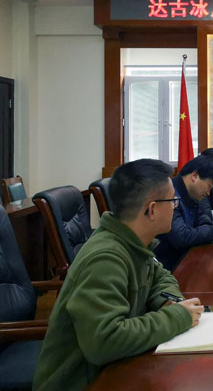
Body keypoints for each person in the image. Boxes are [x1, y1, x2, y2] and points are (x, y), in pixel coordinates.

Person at [33, 159, 204, 391]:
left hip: (117, 368)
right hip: (84, 382)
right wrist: (176, 317)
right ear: (152, 209)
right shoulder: (106, 258)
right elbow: (105, 341)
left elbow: (160, 276)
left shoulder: (134, 241)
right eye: (173, 201)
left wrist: (169, 301)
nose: (176, 207)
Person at [154, 154, 213, 271]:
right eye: (209, 186)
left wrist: (209, 230)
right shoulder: (170, 194)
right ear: (195, 176)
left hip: (187, 261)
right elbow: (181, 237)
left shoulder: (192, 193)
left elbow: (203, 219)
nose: (208, 193)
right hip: (169, 268)